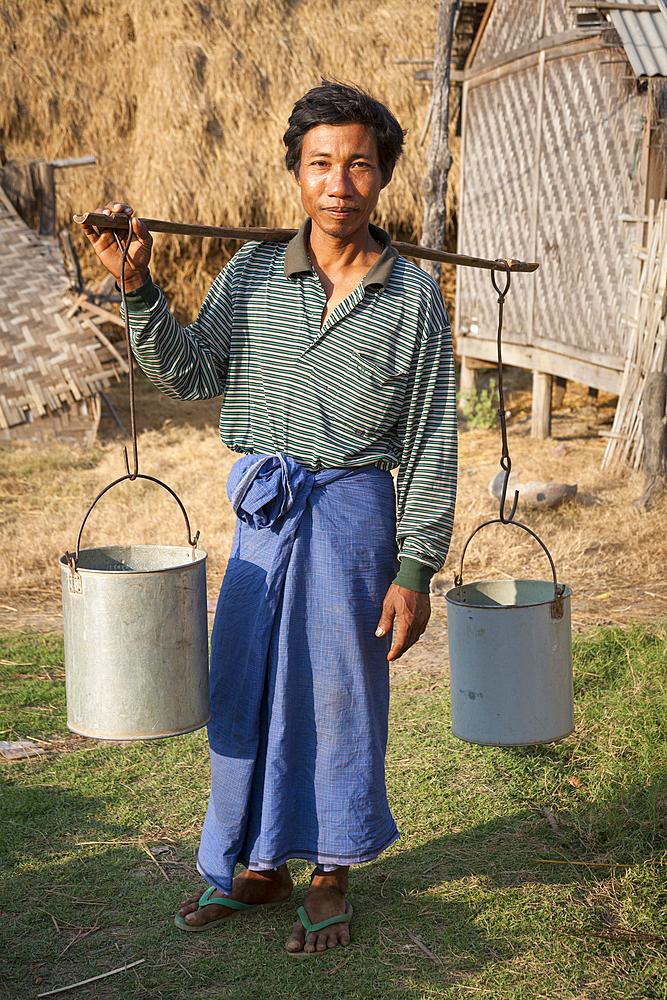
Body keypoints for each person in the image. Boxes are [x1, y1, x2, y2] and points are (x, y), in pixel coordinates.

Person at [84, 80, 457, 955]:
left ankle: (329, 869)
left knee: (337, 692)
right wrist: (138, 290)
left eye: (357, 164)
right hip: (264, 519)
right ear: (295, 174)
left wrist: (415, 569)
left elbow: (435, 437)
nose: (338, 182)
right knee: (242, 686)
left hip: (356, 516)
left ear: (381, 178)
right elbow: (187, 372)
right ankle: (254, 865)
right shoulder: (251, 273)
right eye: (319, 163)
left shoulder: (411, 299)